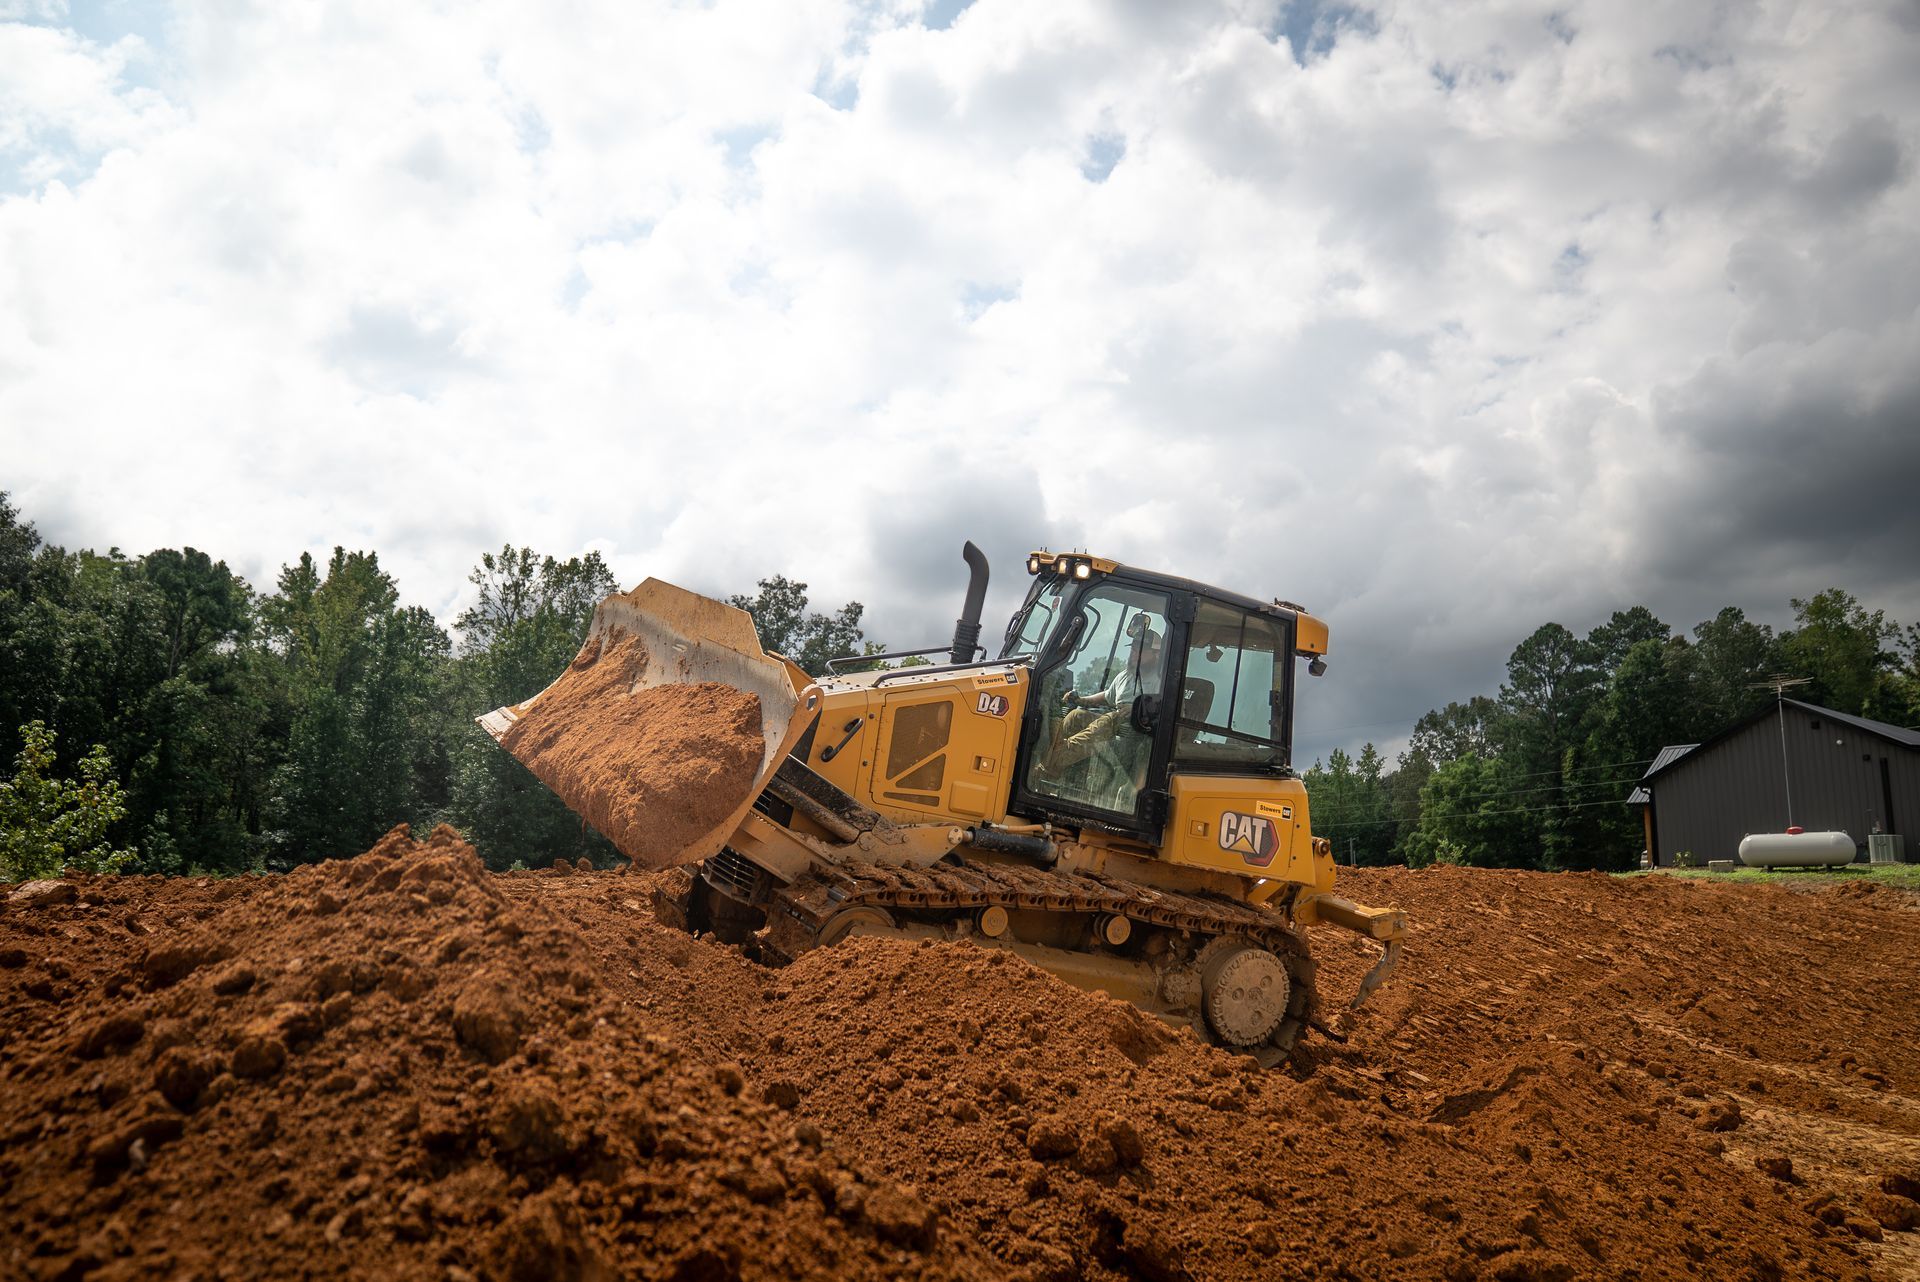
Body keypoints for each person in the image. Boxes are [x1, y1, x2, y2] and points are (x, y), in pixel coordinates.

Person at [1044, 617, 1164, 780]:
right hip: (1116, 725)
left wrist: (1138, 709)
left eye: (1141, 650)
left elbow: (1168, 709)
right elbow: (1107, 696)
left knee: (1108, 720)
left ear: (1157, 654)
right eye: (1133, 649)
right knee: (1076, 715)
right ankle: (1054, 761)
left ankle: (1053, 761)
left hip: (1137, 734)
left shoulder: (1163, 679)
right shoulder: (1125, 676)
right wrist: (1081, 700)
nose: (1134, 653)